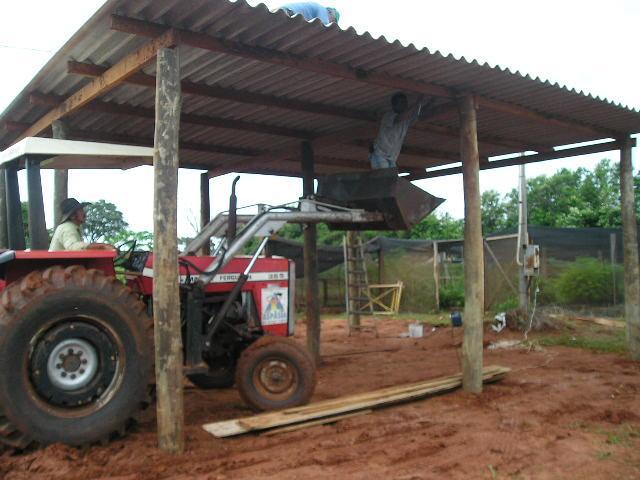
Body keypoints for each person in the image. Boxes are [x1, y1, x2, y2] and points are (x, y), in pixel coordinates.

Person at [369, 93, 426, 170]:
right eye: (402, 103)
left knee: (391, 179)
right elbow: (399, 119)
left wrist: (425, 103)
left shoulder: (405, 121)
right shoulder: (389, 116)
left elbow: (417, 116)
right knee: (384, 177)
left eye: (405, 103)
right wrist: (417, 102)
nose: (405, 105)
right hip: (380, 154)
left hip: (392, 158)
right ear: (394, 105)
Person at [49, 198, 114, 251]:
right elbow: (72, 247)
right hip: (58, 265)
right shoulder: (67, 227)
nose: (84, 213)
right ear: (72, 216)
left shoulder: (75, 227)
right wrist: (101, 246)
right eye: (80, 211)